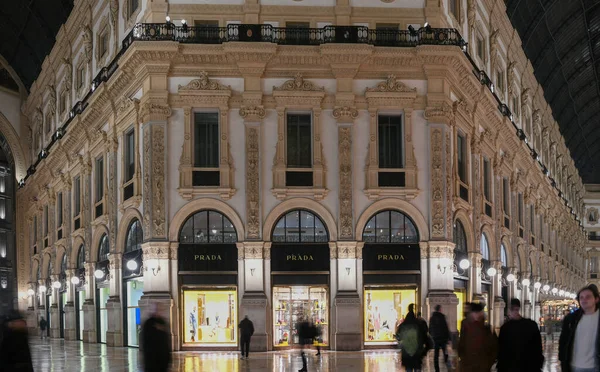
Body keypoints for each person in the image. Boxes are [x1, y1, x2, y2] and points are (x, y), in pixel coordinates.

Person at [559, 284, 600, 372]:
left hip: (596, 367)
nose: (584, 300)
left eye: (588, 297)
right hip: (574, 366)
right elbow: (563, 341)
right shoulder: (570, 319)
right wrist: (563, 361)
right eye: (581, 297)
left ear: (596, 299)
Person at [497, 298, 544, 372]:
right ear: (518, 309)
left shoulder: (505, 328)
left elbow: (501, 351)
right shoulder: (532, 325)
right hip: (529, 367)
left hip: (510, 367)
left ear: (509, 310)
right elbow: (538, 348)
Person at [458, 302, 497, 372]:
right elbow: (461, 344)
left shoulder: (486, 328)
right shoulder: (466, 325)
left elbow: (494, 348)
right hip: (471, 366)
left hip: (481, 366)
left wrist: (488, 364)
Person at [396, 304, 428, 372]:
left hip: (406, 353)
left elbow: (398, 336)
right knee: (417, 368)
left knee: (408, 369)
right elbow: (425, 337)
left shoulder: (403, 325)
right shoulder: (418, 324)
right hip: (417, 353)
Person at [141, 307, 171, 372]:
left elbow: (166, 340)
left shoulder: (163, 322)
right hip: (152, 359)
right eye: (157, 310)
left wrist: (168, 357)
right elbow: (145, 341)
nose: (159, 312)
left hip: (162, 359)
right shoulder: (148, 323)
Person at [429, 304, 451, 372]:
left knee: (436, 354)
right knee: (445, 352)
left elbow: (430, 329)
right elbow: (446, 328)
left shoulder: (432, 318)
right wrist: (449, 338)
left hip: (435, 338)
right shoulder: (442, 317)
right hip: (443, 338)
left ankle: (437, 369)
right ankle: (448, 366)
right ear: (440, 309)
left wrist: (432, 335)